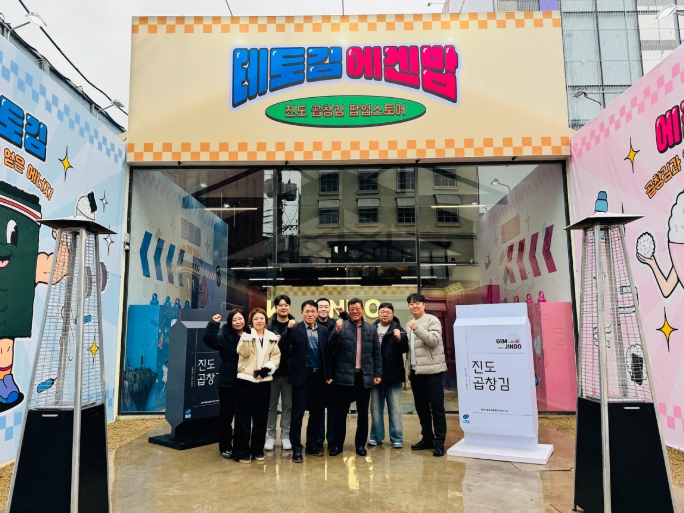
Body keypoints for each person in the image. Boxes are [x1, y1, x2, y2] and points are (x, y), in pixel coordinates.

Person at [327, 298, 382, 457]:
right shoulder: (341, 326)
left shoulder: (371, 329)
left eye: (357, 309)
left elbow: (376, 353)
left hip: (363, 377)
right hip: (344, 377)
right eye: (351, 309)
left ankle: (360, 445)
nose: (355, 311)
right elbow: (330, 347)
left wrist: (378, 373)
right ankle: (337, 445)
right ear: (348, 311)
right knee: (341, 413)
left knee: (363, 414)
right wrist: (337, 332)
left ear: (363, 310)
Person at [280, 300, 331, 462]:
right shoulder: (295, 328)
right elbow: (282, 347)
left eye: (313, 311)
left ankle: (312, 445)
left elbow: (327, 354)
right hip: (302, 377)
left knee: (317, 414)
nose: (310, 314)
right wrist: (288, 330)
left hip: (319, 377)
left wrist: (329, 375)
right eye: (307, 311)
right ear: (302, 313)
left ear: (317, 313)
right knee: (297, 415)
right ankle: (296, 448)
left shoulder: (323, 330)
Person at [233, 308, 281, 463]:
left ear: (266, 321)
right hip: (246, 380)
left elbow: (276, 357)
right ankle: (242, 451)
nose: (259, 321)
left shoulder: (271, 337)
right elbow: (243, 352)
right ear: (251, 322)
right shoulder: (246, 335)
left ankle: (257, 450)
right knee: (243, 417)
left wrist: (266, 370)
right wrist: (247, 336)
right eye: (256, 319)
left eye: (262, 318)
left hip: (264, 382)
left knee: (261, 417)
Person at [405, 293, 447, 457]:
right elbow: (410, 351)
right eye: (411, 303)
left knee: (437, 408)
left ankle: (439, 441)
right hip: (416, 373)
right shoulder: (409, 324)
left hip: (432, 372)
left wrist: (417, 328)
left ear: (424, 305)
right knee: (421, 408)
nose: (414, 306)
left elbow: (434, 341)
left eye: (417, 303)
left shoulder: (432, 320)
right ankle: (427, 438)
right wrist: (409, 371)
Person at [202, 309, 248, 459]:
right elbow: (208, 339)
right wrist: (213, 324)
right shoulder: (223, 336)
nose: (238, 322)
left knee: (243, 417)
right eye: (234, 320)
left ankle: (241, 446)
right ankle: (225, 447)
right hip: (228, 380)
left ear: (245, 320)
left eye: (240, 318)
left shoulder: (251, 335)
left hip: (246, 380)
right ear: (230, 322)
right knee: (226, 417)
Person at [369, 302, 408, 449]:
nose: (385, 314)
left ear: (392, 315)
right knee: (375, 410)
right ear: (378, 313)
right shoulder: (372, 329)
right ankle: (376, 436)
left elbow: (405, 349)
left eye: (388, 312)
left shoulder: (398, 329)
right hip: (375, 377)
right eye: (382, 312)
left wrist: (399, 338)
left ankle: (397, 438)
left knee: (395, 410)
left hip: (394, 376)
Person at [315, 298, 349, 447]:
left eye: (326, 306)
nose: (323, 309)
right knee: (318, 407)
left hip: (335, 372)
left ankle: (332, 439)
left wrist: (344, 314)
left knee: (333, 408)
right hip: (317, 372)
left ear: (329, 309)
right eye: (320, 307)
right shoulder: (312, 324)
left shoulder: (336, 323)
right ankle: (318, 439)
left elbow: (352, 325)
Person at [265, 295, 295, 451]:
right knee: (271, 405)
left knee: (288, 406)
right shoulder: (268, 325)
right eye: (280, 305)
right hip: (272, 373)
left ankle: (285, 436)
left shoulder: (296, 325)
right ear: (275, 307)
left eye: (286, 305)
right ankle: (270, 436)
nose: (283, 307)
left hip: (289, 373)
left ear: (289, 307)